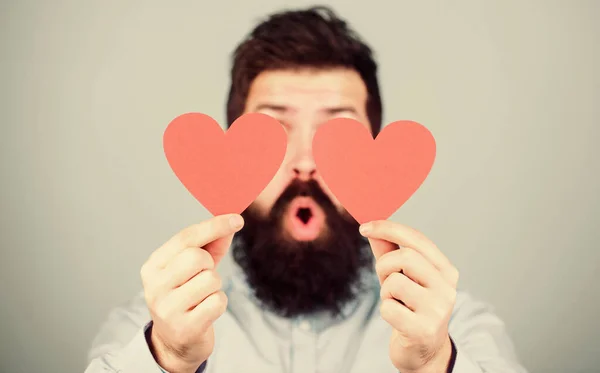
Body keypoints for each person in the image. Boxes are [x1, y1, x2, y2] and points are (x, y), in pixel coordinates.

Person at [85, 6, 527, 373]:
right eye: (274, 128)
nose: (306, 163)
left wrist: (435, 362)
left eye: (337, 132)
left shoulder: (459, 326)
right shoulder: (144, 328)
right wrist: (167, 357)